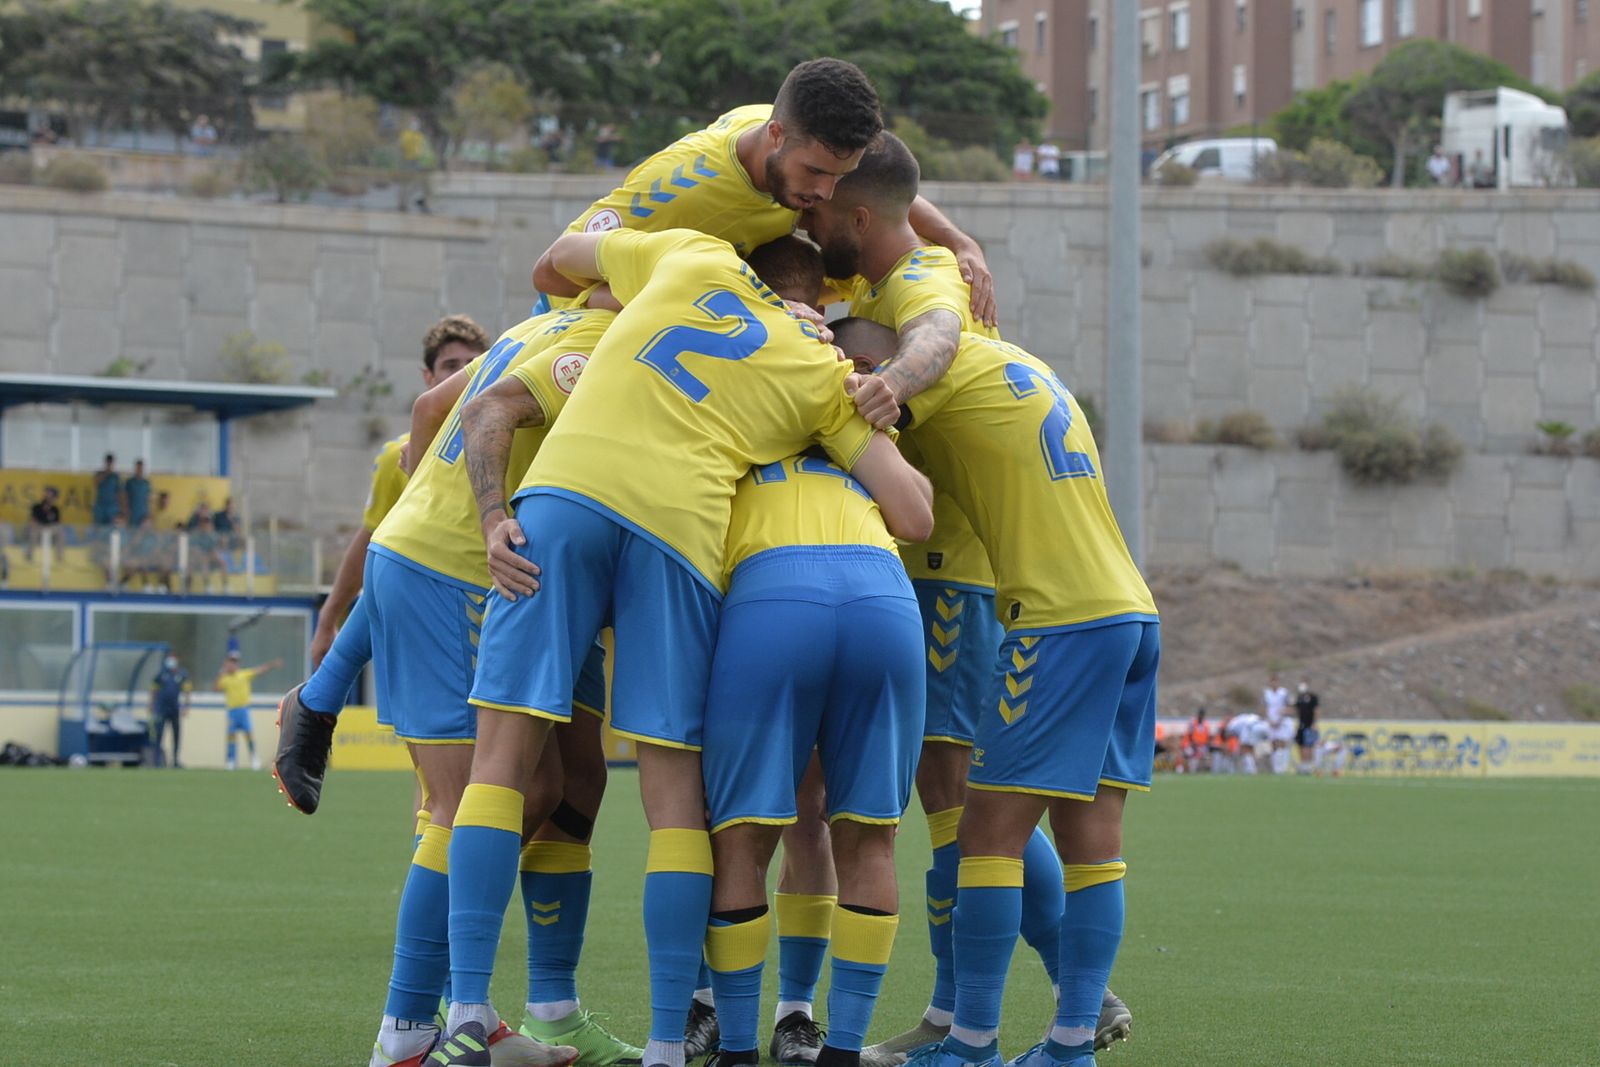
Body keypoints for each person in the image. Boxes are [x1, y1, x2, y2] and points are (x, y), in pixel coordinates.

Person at [434, 221, 931, 1067]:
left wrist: (614, 295)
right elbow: (913, 510)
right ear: (820, 303)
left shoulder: (693, 253)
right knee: (676, 800)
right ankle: (671, 1041)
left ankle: (467, 1017)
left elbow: (558, 259)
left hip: (569, 494)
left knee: (499, 764)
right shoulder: (816, 366)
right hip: (682, 534)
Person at [803, 132, 1128, 1062]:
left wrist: (887, 381)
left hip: (956, 570)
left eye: (823, 200)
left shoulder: (922, 286)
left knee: (964, 803)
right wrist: (960, 235)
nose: (810, 212)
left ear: (856, 211)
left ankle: (998, 1012)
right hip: (970, 572)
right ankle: (977, 1013)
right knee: (962, 799)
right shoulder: (895, 268)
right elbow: (897, 191)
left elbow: (933, 335)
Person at [833, 318, 1159, 1067]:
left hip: (1044, 616)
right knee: (1090, 846)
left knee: (980, 833)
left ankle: (969, 1040)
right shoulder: (1015, 363)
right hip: (1129, 610)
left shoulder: (926, 364)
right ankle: (1068, 1044)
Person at [697, 239, 931, 1067]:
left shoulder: (717, 382)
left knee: (741, 838)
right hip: (881, 595)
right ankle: (833, 1043)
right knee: (867, 838)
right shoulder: (840, 385)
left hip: (771, 594)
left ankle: (733, 1046)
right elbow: (918, 514)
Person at [534, 58, 995, 332]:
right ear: (775, 135)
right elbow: (551, 277)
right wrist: (745, 304)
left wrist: (961, 243)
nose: (825, 192)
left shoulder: (797, 138)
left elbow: (881, 189)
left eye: (841, 175)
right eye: (815, 172)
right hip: (581, 333)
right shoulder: (679, 189)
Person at [307, 315, 489, 675]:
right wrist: (328, 618)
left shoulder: (514, 437)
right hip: (433, 617)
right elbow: (371, 538)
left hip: (498, 608)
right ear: (428, 377)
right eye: (451, 365)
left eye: (473, 364)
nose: (463, 374)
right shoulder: (399, 456)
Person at [217, 651, 282, 770]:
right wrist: (220, 674)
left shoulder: (244, 674)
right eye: (230, 662)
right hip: (232, 711)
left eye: (234, 662)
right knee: (231, 736)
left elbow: (260, 670)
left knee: (248, 735)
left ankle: (254, 758)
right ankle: (231, 760)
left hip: (243, 710)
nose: (232, 665)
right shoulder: (225, 678)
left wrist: (272, 664)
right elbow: (216, 689)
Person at [148, 654, 191, 767]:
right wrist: (151, 705)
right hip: (161, 709)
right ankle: (157, 761)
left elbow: (187, 691)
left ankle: (175, 760)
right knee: (159, 734)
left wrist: (186, 706)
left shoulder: (182, 674)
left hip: (174, 708)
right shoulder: (161, 674)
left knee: (176, 734)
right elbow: (153, 690)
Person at [1263, 673, 1292, 775]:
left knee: (1282, 743)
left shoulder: (1283, 693)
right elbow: (1265, 707)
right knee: (1273, 743)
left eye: (1276, 681)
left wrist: (1280, 719)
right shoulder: (1267, 693)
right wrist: (1270, 720)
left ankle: (1283, 767)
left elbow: (1288, 707)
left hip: (1281, 721)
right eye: (1272, 681)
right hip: (1271, 721)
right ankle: (1275, 767)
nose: (1274, 683)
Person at [1293, 679, 1320, 774]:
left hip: (1309, 725)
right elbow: (1296, 710)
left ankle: (1309, 766)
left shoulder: (1313, 697)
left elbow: (1316, 710)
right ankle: (1303, 765)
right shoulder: (1299, 698)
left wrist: (1314, 723)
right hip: (1301, 725)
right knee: (1301, 745)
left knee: (1308, 745)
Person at [27, 486, 61, 558]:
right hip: (39, 527)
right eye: (48, 494)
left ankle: (59, 556)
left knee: (59, 531)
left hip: (50, 528)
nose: (50, 497)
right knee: (33, 531)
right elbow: (33, 520)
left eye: (52, 496)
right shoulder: (37, 507)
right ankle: (29, 554)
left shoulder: (55, 509)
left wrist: (48, 513)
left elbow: (56, 523)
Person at [92, 453, 121, 526]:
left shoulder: (115, 476)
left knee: (112, 527)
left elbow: (119, 492)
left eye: (111, 462)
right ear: (105, 462)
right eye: (108, 462)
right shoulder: (99, 473)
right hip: (100, 505)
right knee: (99, 526)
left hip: (112, 506)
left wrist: (121, 507)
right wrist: (106, 473)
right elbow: (95, 484)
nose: (109, 464)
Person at [124, 460, 152, 527]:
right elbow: (125, 497)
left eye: (141, 468)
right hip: (133, 511)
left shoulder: (146, 483)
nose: (139, 470)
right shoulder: (130, 482)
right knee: (132, 530)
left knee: (143, 530)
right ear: (135, 468)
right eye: (138, 468)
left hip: (143, 512)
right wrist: (126, 510)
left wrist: (148, 513)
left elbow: (148, 499)